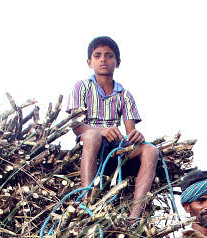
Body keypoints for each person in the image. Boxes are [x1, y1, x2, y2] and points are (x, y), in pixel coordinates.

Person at [66, 36, 159, 220]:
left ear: (117, 62)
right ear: (89, 62)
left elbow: (130, 131)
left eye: (108, 56)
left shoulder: (124, 94)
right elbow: (76, 126)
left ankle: (134, 216)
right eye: (98, 55)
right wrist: (101, 130)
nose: (103, 59)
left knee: (151, 150)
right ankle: (86, 202)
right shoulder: (82, 87)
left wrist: (136, 136)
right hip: (89, 142)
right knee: (92, 136)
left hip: (115, 146)